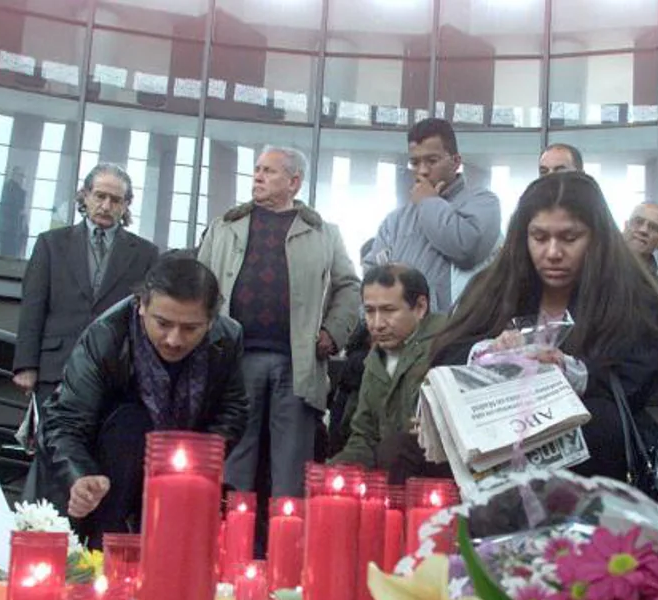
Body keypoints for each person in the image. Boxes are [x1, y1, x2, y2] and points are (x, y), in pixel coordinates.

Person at [428, 171, 658, 481]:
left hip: (593, 466)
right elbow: (445, 354)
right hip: (493, 448)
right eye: (539, 237)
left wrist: (568, 370)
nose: (552, 253)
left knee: (604, 426)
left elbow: (635, 379)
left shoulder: (631, 296)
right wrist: (487, 354)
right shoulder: (494, 286)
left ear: (597, 237)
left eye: (569, 238)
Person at [39, 252, 248, 547]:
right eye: (163, 323)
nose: (174, 340)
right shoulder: (106, 336)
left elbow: (233, 411)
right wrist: (79, 475)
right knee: (130, 423)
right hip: (108, 464)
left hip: (182, 466)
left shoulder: (229, 338)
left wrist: (199, 458)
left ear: (211, 321)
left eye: (190, 329)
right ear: (141, 306)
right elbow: (65, 420)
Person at [197, 147, 360, 498]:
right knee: (235, 461)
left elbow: (349, 287)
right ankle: (231, 537)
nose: (258, 176)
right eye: (257, 169)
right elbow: (200, 286)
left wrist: (333, 332)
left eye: (269, 171)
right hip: (234, 359)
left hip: (298, 363)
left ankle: (286, 541)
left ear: (294, 182)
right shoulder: (224, 227)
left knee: (290, 469)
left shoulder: (324, 233)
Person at [12, 163, 159, 402]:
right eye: (100, 196)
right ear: (85, 195)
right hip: (56, 367)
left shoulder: (146, 254)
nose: (106, 206)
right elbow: (33, 307)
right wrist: (26, 365)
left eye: (115, 200)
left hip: (115, 372)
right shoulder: (51, 244)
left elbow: (147, 319)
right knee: (52, 438)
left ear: (125, 205)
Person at [367, 118, 501, 311]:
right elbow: (374, 276)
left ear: (456, 162)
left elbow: (466, 247)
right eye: (414, 162)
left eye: (432, 161)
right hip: (404, 333)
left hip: (457, 331)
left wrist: (427, 202)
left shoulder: (483, 202)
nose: (422, 171)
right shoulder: (395, 221)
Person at [332, 264, 446, 478]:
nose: (376, 324)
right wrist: (338, 470)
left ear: (420, 307)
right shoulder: (375, 359)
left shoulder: (449, 346)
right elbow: (364, 436)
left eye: (388, 310)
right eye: (369, 311)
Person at [623, 202, 658, 279]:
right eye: (638, 222)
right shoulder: (599, 262)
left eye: (653, 227)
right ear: (625, 226)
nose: (643, 230)